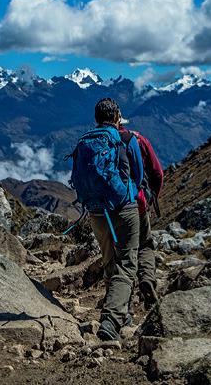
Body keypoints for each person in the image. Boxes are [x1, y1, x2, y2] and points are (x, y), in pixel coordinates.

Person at [71, 98, 144, 342]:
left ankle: (123, 313)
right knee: (127, 263)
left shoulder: (86, 141)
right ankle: (111, 320)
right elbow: (139, 174)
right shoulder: (126, 139)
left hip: (96, 212)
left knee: (110, 261)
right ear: (117, 117)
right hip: (124, 208)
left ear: (96, 118)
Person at [118, 124, 163, 308]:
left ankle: (123, 306)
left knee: (121, 256)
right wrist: (152, 197)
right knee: (145, 245)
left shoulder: (100, 141)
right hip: (138, 203)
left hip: (110, 208)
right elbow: (157, 173)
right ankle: (147, 278)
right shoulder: (138, 139)